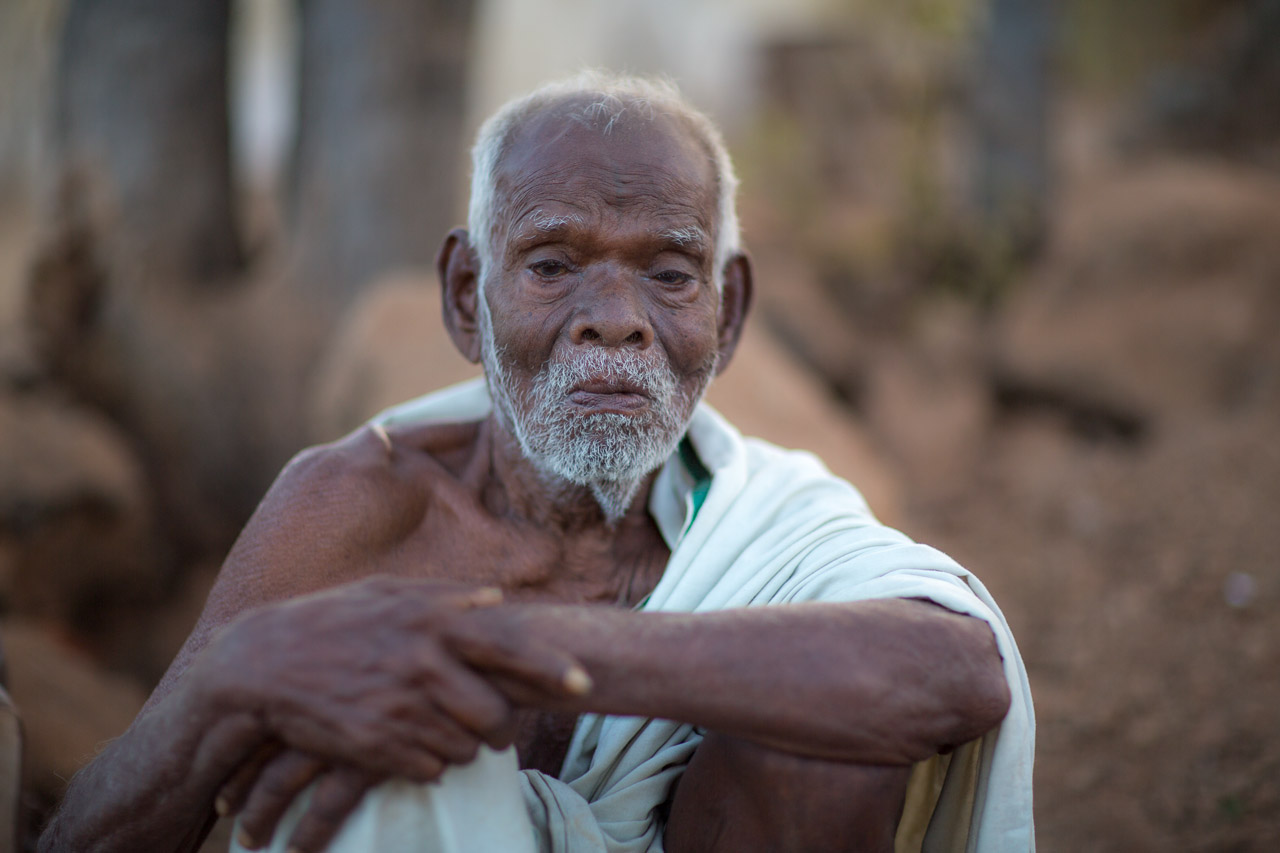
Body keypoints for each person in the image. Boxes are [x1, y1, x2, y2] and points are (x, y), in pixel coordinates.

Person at [38, 72, 1034, 853]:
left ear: (727, 314)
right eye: (553, 265)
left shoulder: (767, 517)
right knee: (377, 741)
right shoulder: (357, 509)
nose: (615, 319)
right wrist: (229, 681)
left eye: (668, 273)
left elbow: (958, 672)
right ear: (465, 298)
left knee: (820, 728)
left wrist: (506, 646)